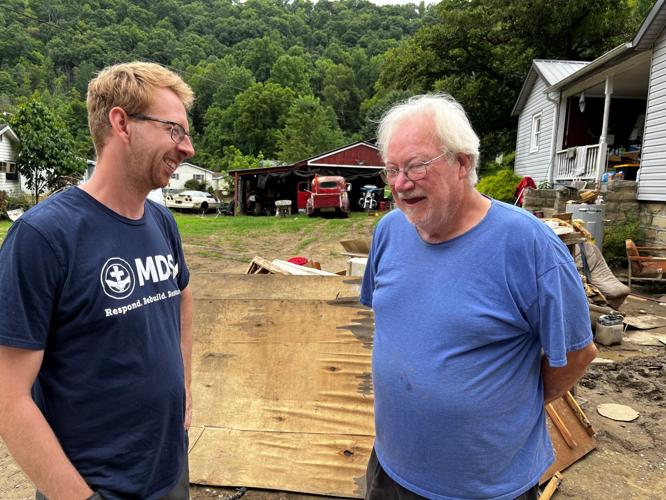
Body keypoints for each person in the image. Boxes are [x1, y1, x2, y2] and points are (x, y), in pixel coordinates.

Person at [360, 94, 597, 500]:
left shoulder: (528, 245)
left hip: (485, 486)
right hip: (390, 469)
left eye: (416, 165)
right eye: (392, 170)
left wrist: (508, 403)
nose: (400, 184)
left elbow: (578, 354)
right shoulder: (388, 232)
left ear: (462, 163)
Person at [0, 62, 195, 499]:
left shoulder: (162, 222)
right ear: (122, 123)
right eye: (175, 131)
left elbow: (183, 296)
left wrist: (183, 383)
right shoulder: (43, 237)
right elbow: (8, 398)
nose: (189, 149)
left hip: (169, 472)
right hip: (94, 488)